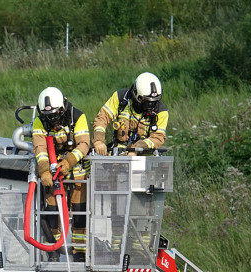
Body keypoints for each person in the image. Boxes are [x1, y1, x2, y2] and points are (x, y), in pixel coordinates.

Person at [32, 86, 90, 261]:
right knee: (51, 212)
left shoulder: (77, 117)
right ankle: (54, 250)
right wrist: (43, 171)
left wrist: (69, 162)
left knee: (80, 213)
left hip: (78, 174)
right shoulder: (39, 122)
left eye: (55, 115)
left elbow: (84, 144)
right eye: (48, 117)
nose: (52, 120)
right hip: (52, 175)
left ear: (63, 108)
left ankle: (79, 252)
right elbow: (40, 149)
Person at [92, 72, 169, 156]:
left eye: (154, 101)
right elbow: (102, 118)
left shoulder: (161, 111)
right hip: (118, 156)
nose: (151, 105)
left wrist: (137, 148)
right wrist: (98, 141)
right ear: (136, 95)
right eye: (146, 101)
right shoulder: (121, 98)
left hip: (145, 158)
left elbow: (158, 137)